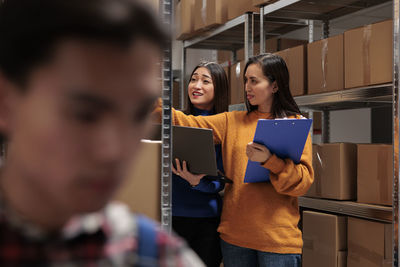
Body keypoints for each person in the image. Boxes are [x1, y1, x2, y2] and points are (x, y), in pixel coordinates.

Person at [0, 0, 205, 266]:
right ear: (5, 102)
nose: (115, 152)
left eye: (138, 114)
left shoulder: (153, 255)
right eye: (85, 114)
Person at [155, 53, 314, 267]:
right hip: (235, 240)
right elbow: (183, 121)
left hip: (277, 242)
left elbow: (301, 184)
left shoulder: (295, 124)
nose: (247, 87)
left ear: (275, 86)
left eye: (254, 81)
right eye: (246, 80)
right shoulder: (233, 121)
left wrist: (270, 160)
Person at [171, 62, 229, 267]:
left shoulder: (226, 126)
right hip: (171, 215)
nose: (197, 85)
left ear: (219, 88)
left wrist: (197, 182)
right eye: (194, 79)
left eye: (205, 81)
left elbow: (222, 181)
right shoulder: (175, 121)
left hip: (205, 219)